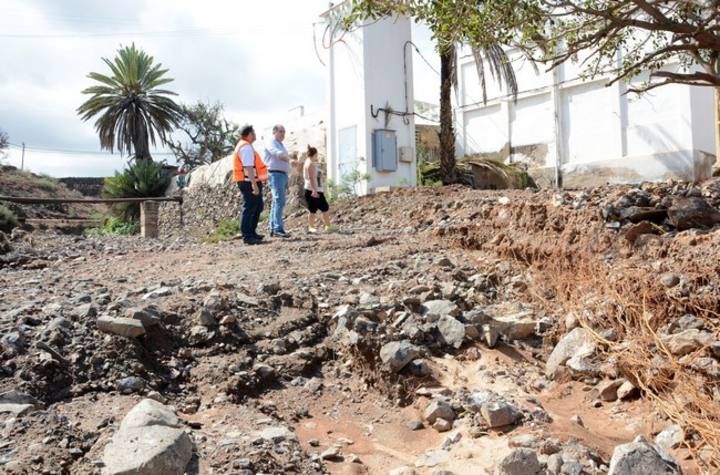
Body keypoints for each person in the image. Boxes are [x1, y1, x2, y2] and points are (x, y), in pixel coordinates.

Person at [233, 125, 268, 245]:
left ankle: (252, 232)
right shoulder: (246, 147)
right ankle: (247, 235)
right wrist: (254, 185)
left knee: (257, 206)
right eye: (253, 133)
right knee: (250, 207)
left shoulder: (244, 146)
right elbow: (248, 167)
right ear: (249, 135)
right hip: (248, 181)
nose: (255, 135)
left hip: (248, 180)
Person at [264, 124, 296, 238]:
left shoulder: (280, 145)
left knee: (276, 201)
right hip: (275, 174)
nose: (283, 134)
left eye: (284, 132)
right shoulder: (271, 142)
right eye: (281, 131)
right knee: (279, 200)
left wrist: (289, 156)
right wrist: (290, 159)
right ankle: (277, 228)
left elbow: (283, 155)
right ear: (275, 132)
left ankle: (274, 227)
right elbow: (277, 154)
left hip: (281, 174)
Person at [303, 145, 336, 233]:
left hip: (312, 189)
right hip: (314, 190)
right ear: (315, 154)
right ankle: (327, 226)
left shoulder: (309, 162)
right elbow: (311, 178)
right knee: (323, 208)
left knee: (313, 209)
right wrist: (314, 190)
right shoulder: (310, 164)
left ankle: (313, 227)